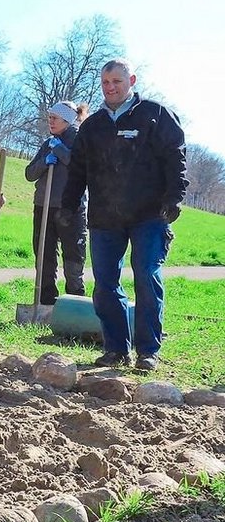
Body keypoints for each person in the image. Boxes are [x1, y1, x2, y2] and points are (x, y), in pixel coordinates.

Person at [62, 58, 188, 371]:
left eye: (117, 81)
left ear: (131, 80)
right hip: (105, 217)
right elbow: (77, 170)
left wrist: (175, 197)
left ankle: (148, 351)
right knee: (105, 283)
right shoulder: (91, 126)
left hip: (149, 213)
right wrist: (68, 204)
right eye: (106, 83)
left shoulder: (155, 115)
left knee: (146, 275)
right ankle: (117, 349)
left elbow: (176, 156)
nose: (111, 88)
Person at [24, 101, 89, 305]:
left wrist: (60, 151)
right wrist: (45, 161)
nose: (50, 121)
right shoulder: (48, 143)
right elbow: (29, 173)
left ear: (67, 120)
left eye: (55, 118)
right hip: (44, 207)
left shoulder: (81, 140)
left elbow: (82, 167)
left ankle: (74, 304)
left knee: (73, 259)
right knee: (44, 257)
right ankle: (46, 303)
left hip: (71, 208)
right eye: (49, 117)